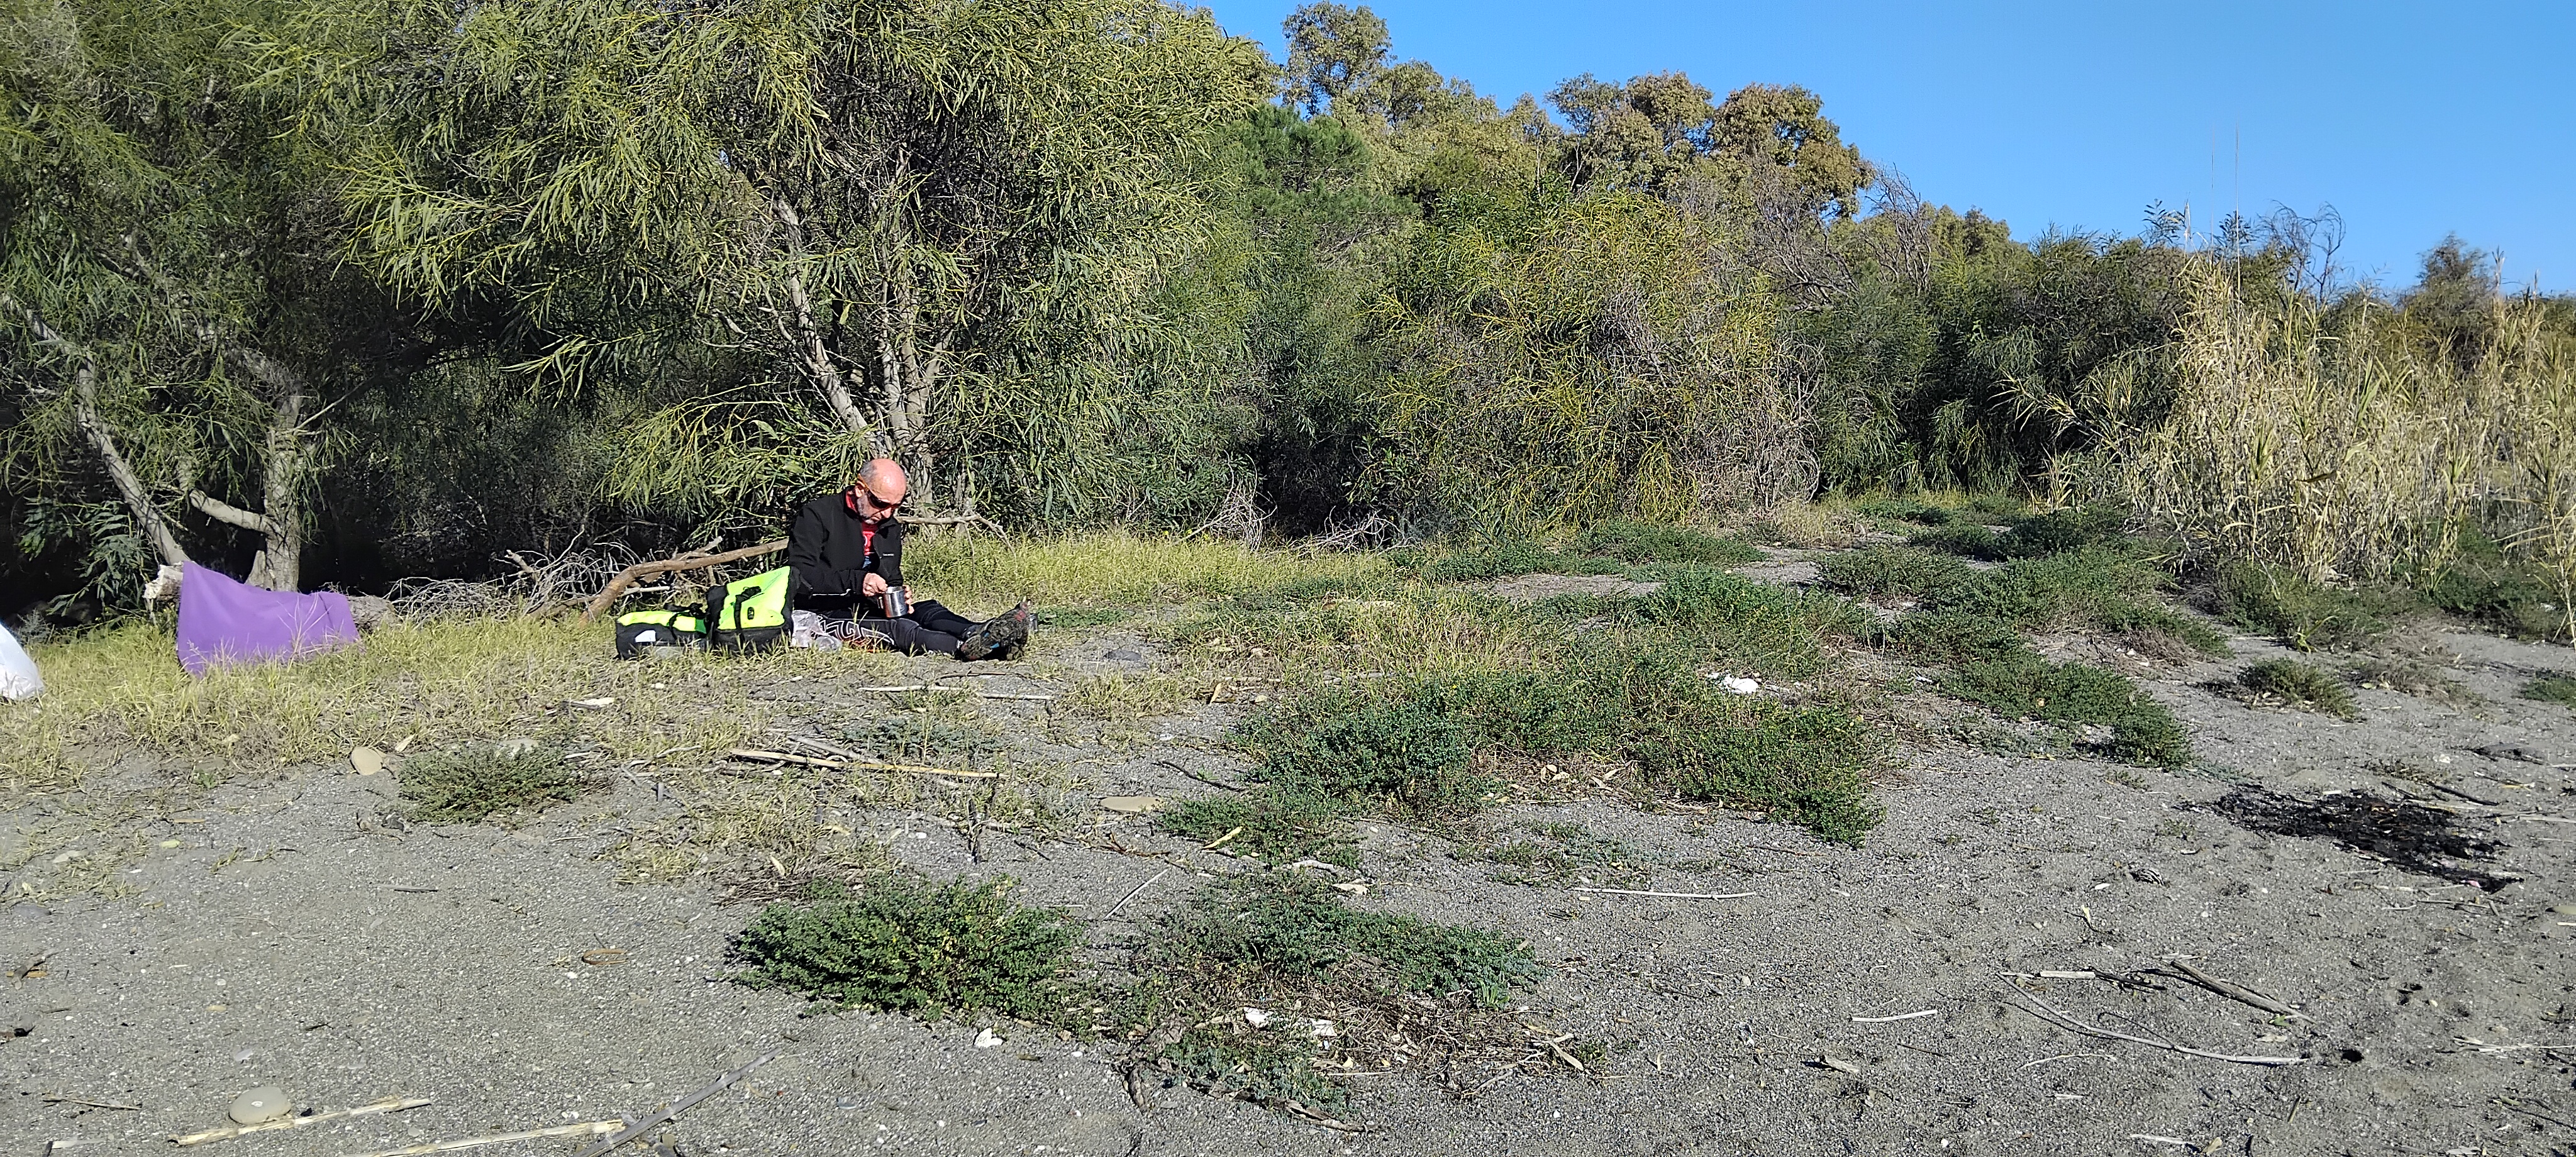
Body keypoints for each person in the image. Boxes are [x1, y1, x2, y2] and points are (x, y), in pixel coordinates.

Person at [786, 458, 1033, 660]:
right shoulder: (817, 515)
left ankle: (980, 632)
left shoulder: (889, 525)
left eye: (896, 506)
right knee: (902, 629)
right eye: (881, 504)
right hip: (826, 613)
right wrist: (857, 582)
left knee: (928, 610)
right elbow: (800, 576)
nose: (887, 514)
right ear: (860, 489)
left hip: (870, 607)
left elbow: (892, 577)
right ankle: (967, 649)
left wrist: (898, 594)